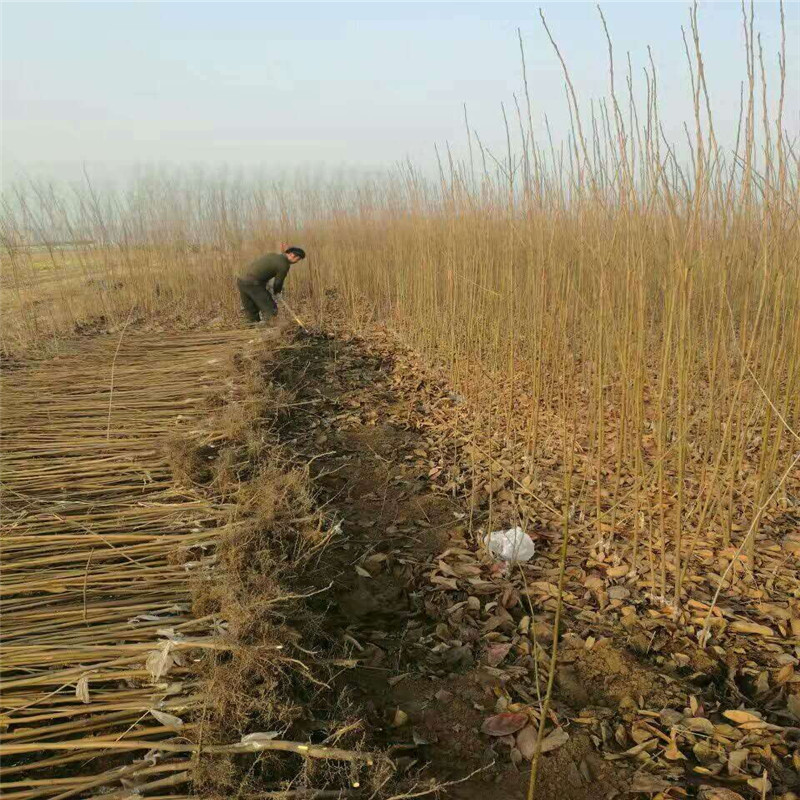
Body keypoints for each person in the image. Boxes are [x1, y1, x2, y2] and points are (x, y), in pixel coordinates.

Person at [236, 246, 306, 323]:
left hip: (241, 280)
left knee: (250, 307)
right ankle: (268, 325)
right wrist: (277, 292)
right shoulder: (284, 264)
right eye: (298, 259)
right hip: (253, 283)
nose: (297, 262)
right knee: (269, 308)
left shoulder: (272, 255)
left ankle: (251, 324)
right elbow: (278, 282)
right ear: (292, 255)